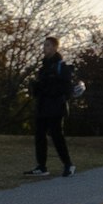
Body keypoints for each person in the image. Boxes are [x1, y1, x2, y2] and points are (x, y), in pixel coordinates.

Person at [30, 35, 78, 178]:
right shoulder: (43, 67)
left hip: (56, 107)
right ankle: (42, 166)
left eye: (48, 45)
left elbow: (66, 88)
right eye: (44, 45)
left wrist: (49, 89)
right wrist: (35, 88)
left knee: (57, 136)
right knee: (39, 135)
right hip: (43, 106)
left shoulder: (61, 67)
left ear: (55, 47)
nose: (45, 48)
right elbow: (40, 88)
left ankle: (68, 164)